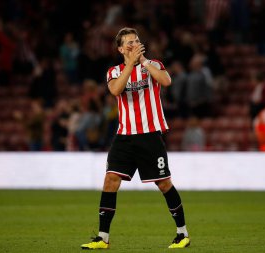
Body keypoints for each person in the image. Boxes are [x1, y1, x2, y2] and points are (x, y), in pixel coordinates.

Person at [81, 27, 190, 249]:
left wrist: (143, 62)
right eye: (128, 43)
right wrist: (131, 64)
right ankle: (103, 238)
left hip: (150, 135)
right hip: (125, 136)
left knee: (164, 183)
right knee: (110, 180)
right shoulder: (114, 71)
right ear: (120, 48)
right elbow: (115, 90)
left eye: (136, 41)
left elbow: (166, 81)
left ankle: (182, 234)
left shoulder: (154, 65)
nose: (133, 45)